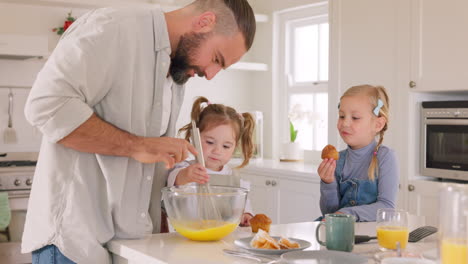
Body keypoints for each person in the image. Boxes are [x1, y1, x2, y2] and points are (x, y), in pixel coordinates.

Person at [21, 0, 256, 263]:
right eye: (216, 59)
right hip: (75, 241)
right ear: (205, 22)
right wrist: (138, 146)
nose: (211, 75)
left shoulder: (176, 69)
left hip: (129, 244)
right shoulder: (114, 28)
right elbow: (46, 106)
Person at [165, 96, 256, 227]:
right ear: (194, 137)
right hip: (187, 237)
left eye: (226, 146)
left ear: (234, 148)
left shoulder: (235, 180)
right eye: (210, 142)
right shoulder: (186, 168)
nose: (217, 151)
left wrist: (246, 215)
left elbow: (241, 208)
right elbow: (173, 183)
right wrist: (186, 176)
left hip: (221, 238)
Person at [317, 85, 399, 222]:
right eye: (342, 116)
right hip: (341, 235)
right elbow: (329, 213)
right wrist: (328, 182)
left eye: (355, 118)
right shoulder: (338, 160)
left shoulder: (385, 157)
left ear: (378, 124)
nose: (345, 123)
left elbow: (387, 208)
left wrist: (347, 214)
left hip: (370, 237)